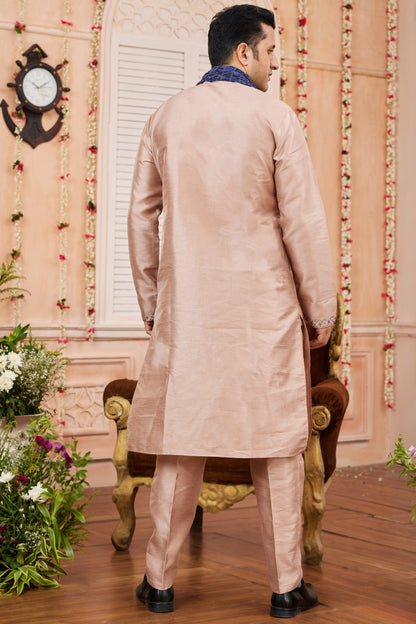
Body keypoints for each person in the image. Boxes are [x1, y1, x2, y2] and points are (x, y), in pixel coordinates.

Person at [127, 4, 336, 619]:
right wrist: (319, 307)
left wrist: (152, 303)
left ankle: (158, 584)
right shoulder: (275, 117)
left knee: (180, 442)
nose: (275, 65)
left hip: (188, 311)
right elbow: (302, 222)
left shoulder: (166, 116)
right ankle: (286, 588)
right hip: (263, 313)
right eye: (271, 52)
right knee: (276, 447)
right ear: (243, 52)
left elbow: (141, 217)